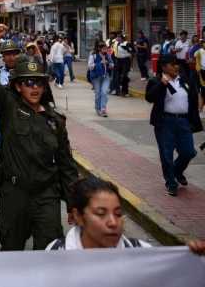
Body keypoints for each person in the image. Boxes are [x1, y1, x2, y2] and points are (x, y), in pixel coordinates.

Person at [0, 24, 78, 251]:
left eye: (39, 82)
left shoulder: (56, 120)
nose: (34, 87)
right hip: (15, 194)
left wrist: (74, 202)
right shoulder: (8, 107)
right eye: (28, 82)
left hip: (46, 196)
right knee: (12, 253)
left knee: (49, 252)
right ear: (17, 86)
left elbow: (66, 164)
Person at [145, 54, 202, 196]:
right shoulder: (156, 80)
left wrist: (195, 118)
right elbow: (149, 97)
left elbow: (193, 98)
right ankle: (171, 183)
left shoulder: (185, 80)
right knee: (166, 154)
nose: (176, 66)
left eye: (177, 63)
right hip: (165, 122)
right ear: (164, 67)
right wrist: (162, 84)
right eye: (172, 64)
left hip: (183, 121)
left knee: (189, 152)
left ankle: (177, 171)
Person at [46, 178, 150, 250]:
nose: (113, 223)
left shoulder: (144, 254)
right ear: (78, 216)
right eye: (101, 214)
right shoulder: (56, 253)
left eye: (118, 214)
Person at [0, 40, 22, 150]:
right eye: (7, 55)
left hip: (20, 112)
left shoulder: (25, 72)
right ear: (3, 57)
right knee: (1, 143)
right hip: (1, 113)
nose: (11, 58)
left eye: (14, 54)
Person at [88, 42, 114, 117]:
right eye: (104, 48)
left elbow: (112, 65)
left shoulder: (108, 56)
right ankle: (97, 109)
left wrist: (107, 64)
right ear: (100, 49)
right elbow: (90, 66)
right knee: (98, 94)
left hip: (106, 76)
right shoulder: (93, 56)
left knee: (104, 92)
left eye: (106, 48)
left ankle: (103, 109)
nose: (105, 50)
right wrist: (99, 64)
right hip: (96, 77)